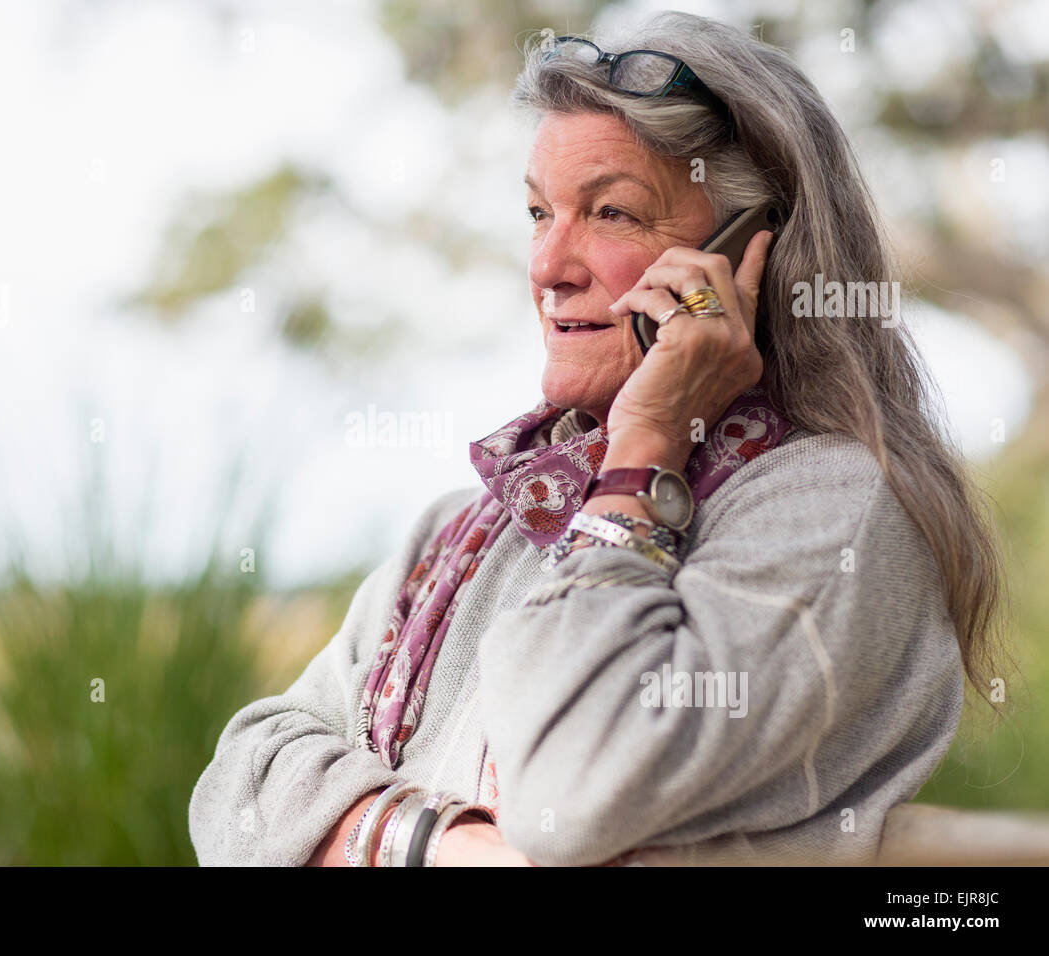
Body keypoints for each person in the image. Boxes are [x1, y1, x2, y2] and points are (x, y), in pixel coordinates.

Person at [188, 11, 1004, 867]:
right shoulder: (465, 528)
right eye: (539, 213)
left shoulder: (839, 511)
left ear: (748, 252)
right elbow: (239, 785)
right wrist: (444, 846)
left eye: (610, 212)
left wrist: (647, 445)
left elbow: (567, 796)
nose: (548, 265)